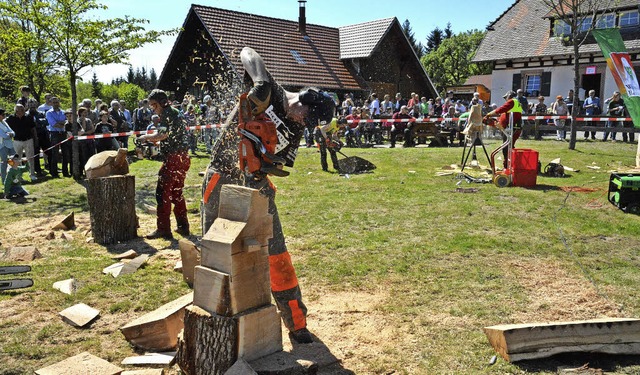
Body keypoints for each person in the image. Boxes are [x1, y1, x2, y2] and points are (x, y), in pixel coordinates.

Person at [201, 47, 327, 344]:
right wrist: (260, 81)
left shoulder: (296, 130)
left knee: (277, 254)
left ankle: (296, 322)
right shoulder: (271, 89)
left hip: (257, 185)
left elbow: (282, 163)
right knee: (215, 251)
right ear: (303, 101)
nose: (302, 124)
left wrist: (266, 164)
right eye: (306, 117)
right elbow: (247, 52)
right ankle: (218, 320)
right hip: (221, 176)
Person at [139, 89, 191, 240]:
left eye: (154, 105)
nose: (153, 109)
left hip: (174, 158)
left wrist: (146, 137)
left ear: (162, 102)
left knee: (162, 192)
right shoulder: (175, 111)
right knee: (176, 192)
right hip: (183, 157)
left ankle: (163, 229)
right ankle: (183, 226)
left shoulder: (167, 114)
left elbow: (162, 134)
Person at [483, 90, 523, 168]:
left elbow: (500, 109)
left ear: (509, 95)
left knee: (506, 148)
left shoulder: (512, 101)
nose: (505, 99)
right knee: (509, 147)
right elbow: (504, 115)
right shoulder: (515, 103)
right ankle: (510, 164)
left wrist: (489, 114)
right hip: (512, 128)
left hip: (513, 128)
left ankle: (507, 166)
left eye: (506, 97)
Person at [6, 104, 37, 181]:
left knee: (30, 158)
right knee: (16, 159)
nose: (19, 112)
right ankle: (18, 176)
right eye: (17, 110)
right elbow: (5, 128)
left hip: (28, 140)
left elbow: (33, 129)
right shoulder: (10, 118)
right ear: (15, 111)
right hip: (16, 141)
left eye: (22, 110)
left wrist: (36, 138)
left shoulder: (29, 117)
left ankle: (32, 174)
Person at [45, 96, 67, 178]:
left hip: (63, 133)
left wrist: (61, 123)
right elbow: (53, 124)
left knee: (65, 153)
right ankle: (54, 173)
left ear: (59, 102)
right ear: (51, 103)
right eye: (54, 102)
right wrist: (61, 123)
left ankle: (65, 172)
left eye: (57, 102)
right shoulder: (48, 113)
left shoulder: (63, 112)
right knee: (55, 154)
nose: (55, 104)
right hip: (54, 134)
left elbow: (67, 122)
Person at [27, 99, 50, 177]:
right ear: (27, 105)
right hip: (32, 136)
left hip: (43, 135)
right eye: (30, 103)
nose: (32, 105)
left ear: (36, 104)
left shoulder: (41, 113)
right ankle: (38, 171)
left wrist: (38, 121)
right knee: (35, 154)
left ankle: (52, 168)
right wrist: (38, 122)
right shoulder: (26, 115)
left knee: (49, 151)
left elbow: (46, 122)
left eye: (33, 103)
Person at [0, 108, 16, 183]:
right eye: (3, 115)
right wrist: (9, 134)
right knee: (4, 162)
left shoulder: (4, 122)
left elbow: (13, 132)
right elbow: (3, 135)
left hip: (10, 145)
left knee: (14, 160)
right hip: (2, 146)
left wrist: (10, 134)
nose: (4, 116)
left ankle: (14, 177)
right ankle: (4, 180)